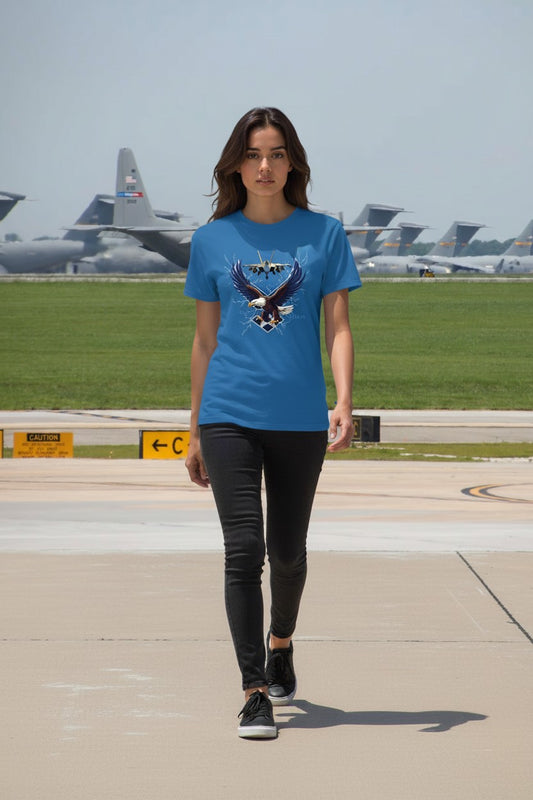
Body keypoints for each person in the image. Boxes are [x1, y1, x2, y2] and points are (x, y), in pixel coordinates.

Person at [184, 107, 361, 739]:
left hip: (299, 419)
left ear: (293, 163)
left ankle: (280, 642)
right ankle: (254, 689)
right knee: (244, 551)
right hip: (230, 412)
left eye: (278, 153)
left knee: (287, 554)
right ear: (237, 163)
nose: (266, 166)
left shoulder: (324, 234)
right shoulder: (212, 241)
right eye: (255, 154)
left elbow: (337, 326)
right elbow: (205, 343)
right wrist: (197, 425)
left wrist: (342, 401)